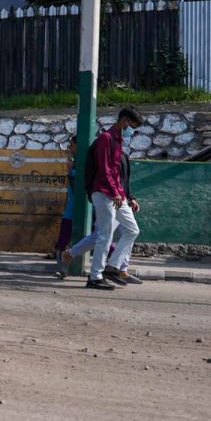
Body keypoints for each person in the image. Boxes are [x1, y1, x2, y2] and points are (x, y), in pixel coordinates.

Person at [82, 107, 143, 290]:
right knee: (105, 235)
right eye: (132, 126)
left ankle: (112, 267)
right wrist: (115, 192)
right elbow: (104, 169)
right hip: (103, 192)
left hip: (116, 194)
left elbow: (116, 173)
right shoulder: (106, 139)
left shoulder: (118, 140)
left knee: (132, 229)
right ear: (124, 121)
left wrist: (124, 196)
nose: (132, 130)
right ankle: (95, 277)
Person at [63, 148, 143, 285]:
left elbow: (123, 180)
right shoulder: (104, 153)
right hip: (108, 199)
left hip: (122, 200)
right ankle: (71, 254)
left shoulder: (122, 154)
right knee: (101, 236)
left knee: (129, 232)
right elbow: (103, 178)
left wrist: (130, 198)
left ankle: (121, 269)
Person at [53, 135, 78, 278]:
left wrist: (71, 172)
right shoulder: (74, 162)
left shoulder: (82, 163)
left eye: (72, 145)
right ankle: (62, 267)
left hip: (80, 209)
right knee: (64, 239)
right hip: (72, 208)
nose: (70, 148)